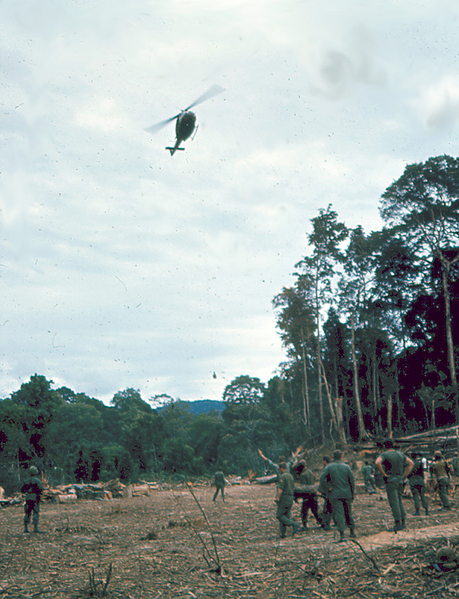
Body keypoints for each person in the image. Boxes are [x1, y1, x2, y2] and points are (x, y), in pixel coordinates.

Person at [375, 439, 414, 532]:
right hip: (400, 480)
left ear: (384, 446)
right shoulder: (400, 454)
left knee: (394, 502)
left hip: (391, 481)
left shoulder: (384, 455)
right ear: (393, 445)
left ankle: (397, 523)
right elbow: (411, 463)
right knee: (400, 501)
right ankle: (403, 522)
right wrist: (404, 475)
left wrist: (384, 474)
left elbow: (377, 462)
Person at [319, 450, 355, 542]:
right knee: (348, 513)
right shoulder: (346, 467)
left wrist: (328, 488)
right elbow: (352, 481)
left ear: (333, 456)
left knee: (339, 514)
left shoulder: (329, 467)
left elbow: (322, 478)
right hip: (347, 493)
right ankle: (352, 531)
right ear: (342, 456)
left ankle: (342, 535)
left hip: (335, 494)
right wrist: (352, 493)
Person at [292, 460, 322, 531]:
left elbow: (303, 488)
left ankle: (305, 526)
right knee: (315, 511)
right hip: (313, 495)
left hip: (307, 496)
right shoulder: (310, 472)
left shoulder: (303, 475)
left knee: (304, 512)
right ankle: (322, 523)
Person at [275, 462, 301, 538]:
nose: (279, 470)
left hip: (284, 498)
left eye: (279, 468)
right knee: (285, 515)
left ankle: (293, 524)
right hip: (290, 497)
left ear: (281, 468)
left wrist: (277, 498)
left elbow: (280, 489)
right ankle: (283, 533)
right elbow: (293, 488)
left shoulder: (283, 477)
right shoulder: (291, 476)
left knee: (279, 516)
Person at [21, 465, 44, 533]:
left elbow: (22, 489)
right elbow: (41, 489)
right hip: (35, 498)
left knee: (27, 513)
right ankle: (35, 528)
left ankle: (26, 528)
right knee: (35, 513)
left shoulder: (27, 480)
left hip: (28, 498)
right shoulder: (37, 480)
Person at [318, 455, 333, 530]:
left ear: (324, 461)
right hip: (333, 490)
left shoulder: (327, 468)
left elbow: (322, 479)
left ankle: (326, 524)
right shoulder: (332, 467)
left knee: (327, 508)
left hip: (329, 492)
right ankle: (326, 523)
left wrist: (327, 488)